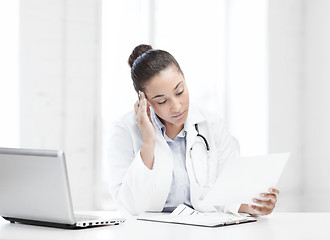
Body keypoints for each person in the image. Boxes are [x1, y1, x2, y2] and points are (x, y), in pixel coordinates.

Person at [108, 44, 279, 215]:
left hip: (202, 229)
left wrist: (254, 205)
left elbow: (227, 192)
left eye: (180, 91)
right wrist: (148, 141)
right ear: (143, 99)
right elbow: (130, 207)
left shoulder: (212, 125)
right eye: (162, 101)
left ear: (184, 78)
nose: (176, 107)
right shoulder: (124, 131)